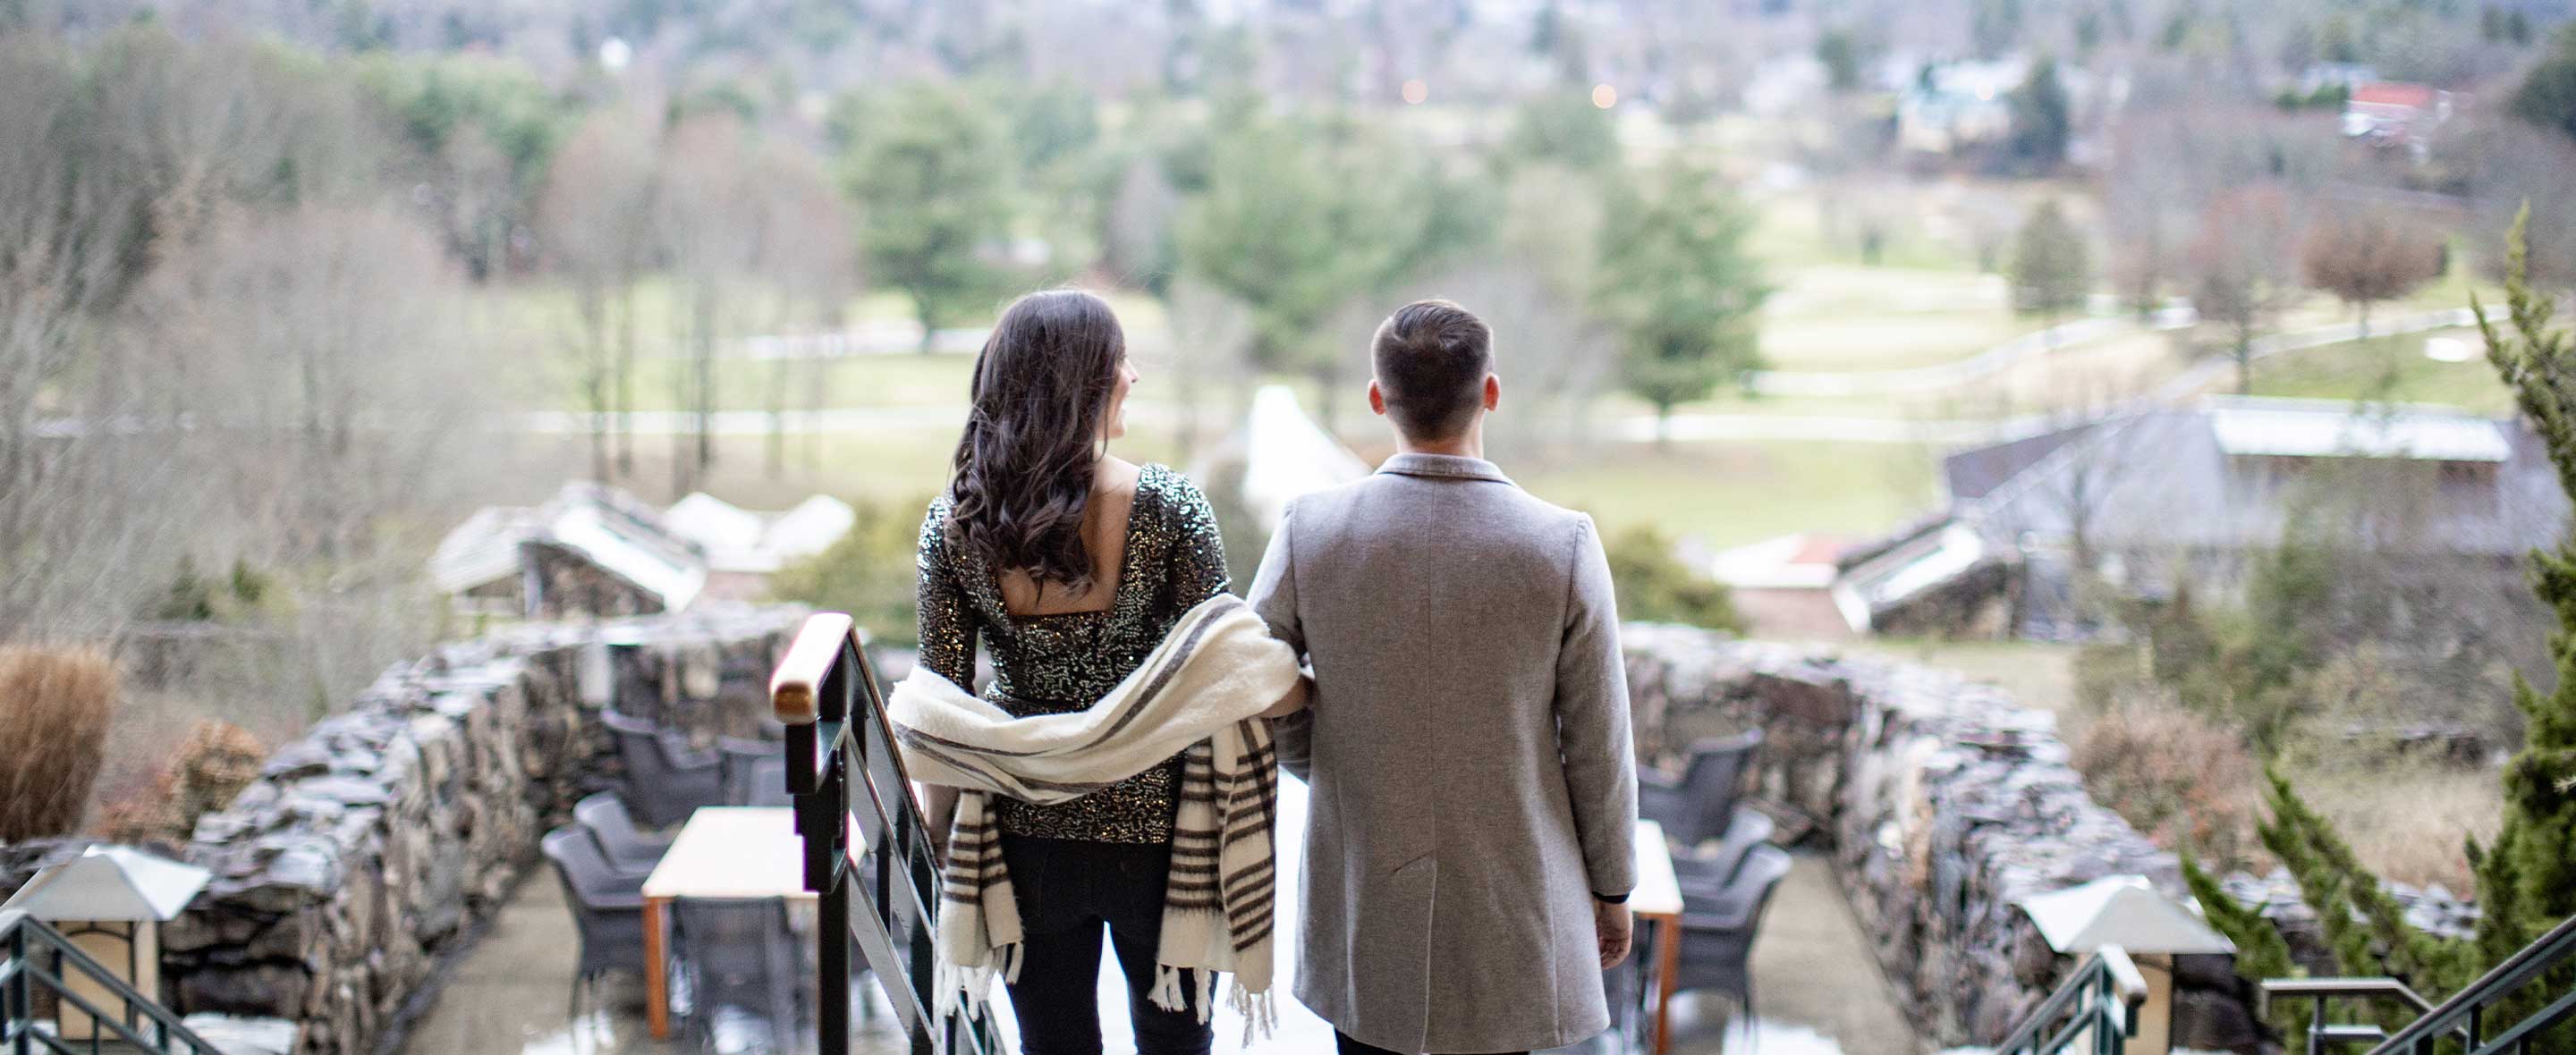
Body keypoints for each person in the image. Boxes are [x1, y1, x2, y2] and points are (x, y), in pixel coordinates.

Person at [912, 289, 1304, 1055]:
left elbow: (942, 707)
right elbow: (1223, 669)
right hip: (1168, 839)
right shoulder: (1169, 508)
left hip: (1025, 830)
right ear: (1088, 380)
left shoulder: (955, 525)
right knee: (1176, 1044)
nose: (1132, 375)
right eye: (1119, 360)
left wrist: (938, 836)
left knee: (1053, 1046)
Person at [1247, 299, 1639, 1055]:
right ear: (1491, 391)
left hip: (1364, 901)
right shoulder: (1560, 544)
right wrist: (1613, 886)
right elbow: (1599, 741)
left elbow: (1252, 678)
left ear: (1376, 398)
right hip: (1512, 904)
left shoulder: (1309, 530)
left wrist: (1324, 753)